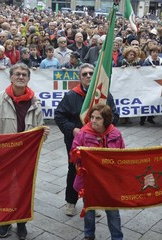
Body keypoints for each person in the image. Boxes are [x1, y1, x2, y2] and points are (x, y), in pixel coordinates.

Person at [0, 63, 49, 240]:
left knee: (24, 190)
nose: (20, 77)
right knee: (4, 188)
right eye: (17, 74)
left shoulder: (35, 102)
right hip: (4, 156)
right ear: (11, 77)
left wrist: (44, 134)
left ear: (28, 79)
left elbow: (40, 133)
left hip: (26, 157)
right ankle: (5, 220)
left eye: (24, 75)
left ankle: (22, 222)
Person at [54, 63, 119, 217]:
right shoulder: (71, 96)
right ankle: (71, 201)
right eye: (85, 74)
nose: (88, 76)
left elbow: (115, 115)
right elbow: (59, 116)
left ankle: (93, 202)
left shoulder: (104, 94)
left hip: (99, 141)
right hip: (77, 141)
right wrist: (73, 130)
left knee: (97, 172)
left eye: (91, 73)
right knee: (74, 170)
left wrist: (104, 128)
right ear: (80, 78)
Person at [71, 104, 124, 240]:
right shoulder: (83, 133)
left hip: (109, 180)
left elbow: (122, 155)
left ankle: (117, 237)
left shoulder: (116, 134)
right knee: (89, 209)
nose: (93, 121)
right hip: (90, 180)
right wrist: (78, 155)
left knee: (112, 211)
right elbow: (73, 152)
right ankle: (89, 235)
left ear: (106, 120)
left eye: (98, 118)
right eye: (92, 117)